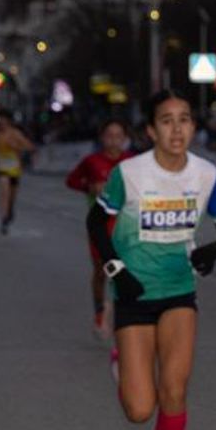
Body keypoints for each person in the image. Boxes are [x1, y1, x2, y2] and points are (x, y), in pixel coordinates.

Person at [86, 92, 216, 430]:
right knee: (139, 410)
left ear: (193, 127)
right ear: (151, 130)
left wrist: (211, 253)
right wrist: (117, 269)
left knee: (175, 387)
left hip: (178, 293)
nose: (177, 129)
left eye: (185, 119)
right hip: (134, 294)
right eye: (167, 121)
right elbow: (97, 223)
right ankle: (120, 363)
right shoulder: (129, 174)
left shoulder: (206, 174)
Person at [67, 119, 131, 338]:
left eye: (118, 136)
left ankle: (120, 317)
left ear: (124, 139)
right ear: (102, 138)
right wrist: (90, 188)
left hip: (125, 225)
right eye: (109, 136)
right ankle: (99, 311)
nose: (114, 141)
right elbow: (71, 180)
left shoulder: (131, 162)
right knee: (101, 271)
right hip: (100, 225)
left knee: (121, 271)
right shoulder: (92, 161)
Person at [0, 110, 34, 235]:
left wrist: (15, 147)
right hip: (2, 168)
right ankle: (4, 219)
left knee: (12, 196)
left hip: (15, 168)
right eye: (0, 122)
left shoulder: (15, 134)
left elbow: (30, 147)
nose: (2, 125)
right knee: (4, 192)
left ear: (9, 123)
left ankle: (10, 210)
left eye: (4, 122)